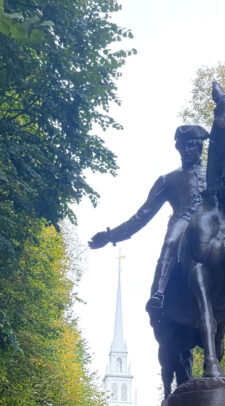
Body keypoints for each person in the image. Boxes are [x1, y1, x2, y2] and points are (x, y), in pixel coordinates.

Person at [89, 124, 210, 314]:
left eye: (191, 146)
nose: (186, 151)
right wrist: (111, 236)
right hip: (183, 219)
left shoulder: (214, 175)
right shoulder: (167, 180)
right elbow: (142, 215)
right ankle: (159, 293)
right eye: (182, 147)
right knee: (170, 241)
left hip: (211, 223)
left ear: (199, 147)